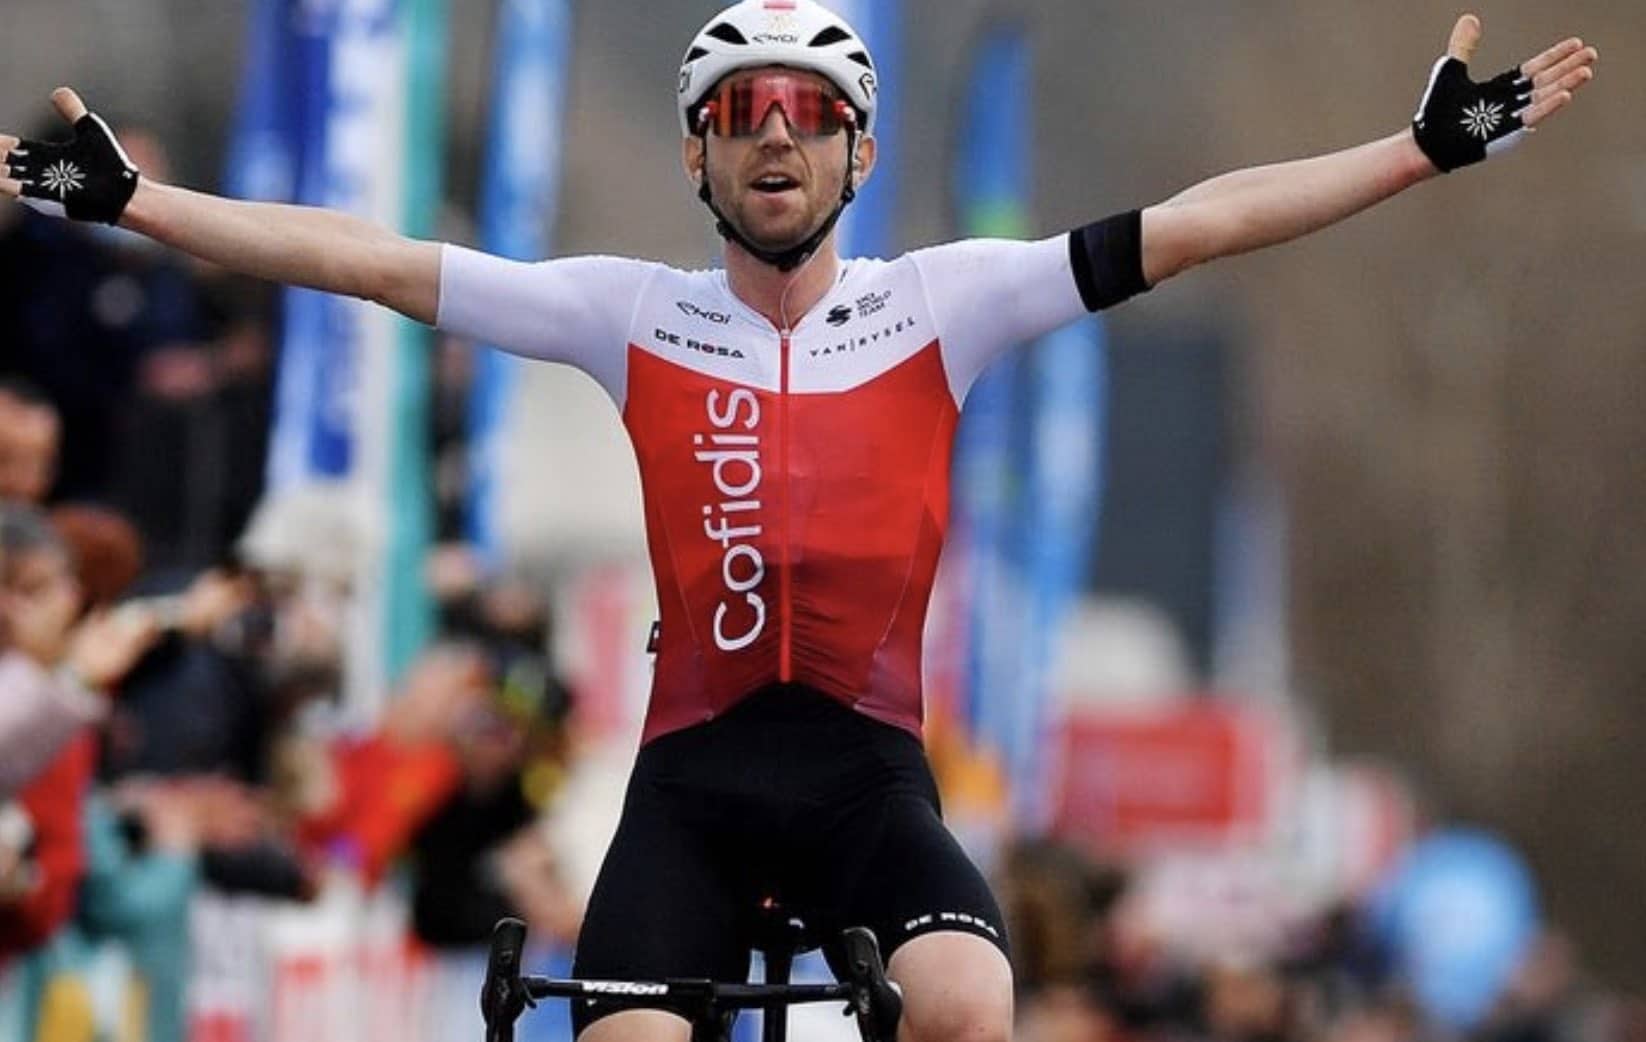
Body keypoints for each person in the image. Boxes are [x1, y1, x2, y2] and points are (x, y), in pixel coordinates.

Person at [0, 5, 1598, 1041]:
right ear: (699, 151)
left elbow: (1197, 224)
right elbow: (359, 255)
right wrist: (134, 203)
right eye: (744, 109)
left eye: (810, 109)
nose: (777, 130)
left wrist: (1412, 153)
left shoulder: (946, 300)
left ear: (857, 149)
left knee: (966, 997)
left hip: (861, 779)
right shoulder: (625, 311)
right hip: (689, 785)